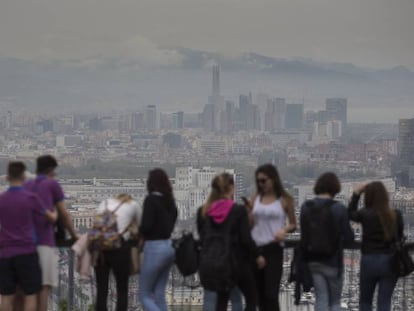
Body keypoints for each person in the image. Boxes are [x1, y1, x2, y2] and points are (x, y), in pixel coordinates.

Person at [198, 172, 265, 311]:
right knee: (252, 298)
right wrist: (257, 255)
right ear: (231, 188)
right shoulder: (237, 211)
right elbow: (246, 239)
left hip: (213, 263)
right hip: (236, 263)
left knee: (221, 301)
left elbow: (203, 238)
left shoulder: (204, 211)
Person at [23, 155, 78, 311]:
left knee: (29, 292)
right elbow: (64, 214)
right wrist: (74, 235)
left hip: (26, 244)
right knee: (44, 289)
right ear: (51, 169)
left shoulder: (27, 185)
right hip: (45, 242)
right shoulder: (52, 184)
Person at [0, 162, 56, 311]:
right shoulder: (30, 198)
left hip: (5, 252)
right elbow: (50, 217)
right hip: (26, 251)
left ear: (7, 178)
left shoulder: (2, 199)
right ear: (24, 177)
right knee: (30, 295)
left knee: (6, 296)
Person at [300, 172, 354, 311]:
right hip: (333, 261)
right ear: (335, 188)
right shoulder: (339, 208)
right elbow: (349, 237)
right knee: (335, 301)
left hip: (313, 260)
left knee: (321, 298)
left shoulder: (306, 207)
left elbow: (304, 235)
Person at [348, 181, 403, 311]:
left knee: (365, 300)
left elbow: (350, 213)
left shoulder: (365, 214)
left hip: (369, 259)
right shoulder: (396, 215)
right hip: (389, 260)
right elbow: (399, 238)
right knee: (384, 301)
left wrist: (356, 194)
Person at [249, 164, 296, 311]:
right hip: (256, 250)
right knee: (258, 294)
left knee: (271, 294)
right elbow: (250, 223)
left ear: (273, 179)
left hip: (274, 249)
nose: (261, 184)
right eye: (258, 181)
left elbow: (294, 224)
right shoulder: (256, 198)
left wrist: (285, 230)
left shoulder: (285, 199)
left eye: (264, 180)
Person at [94, 193, 142, 311]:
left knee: (101, 289)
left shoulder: (103, 204)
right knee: (122, 288)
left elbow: (96, 226)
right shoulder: (134, 205)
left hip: (100, 249)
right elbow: (141, 228)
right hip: (120, 248)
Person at [139, 168, 178, 311]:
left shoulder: (151, 200)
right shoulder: (170, 201)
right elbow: (173, 222)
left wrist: (139, 232)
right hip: (169, 247)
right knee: (159, 293)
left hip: (154, 248)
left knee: (144, 294)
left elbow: (146, 226)